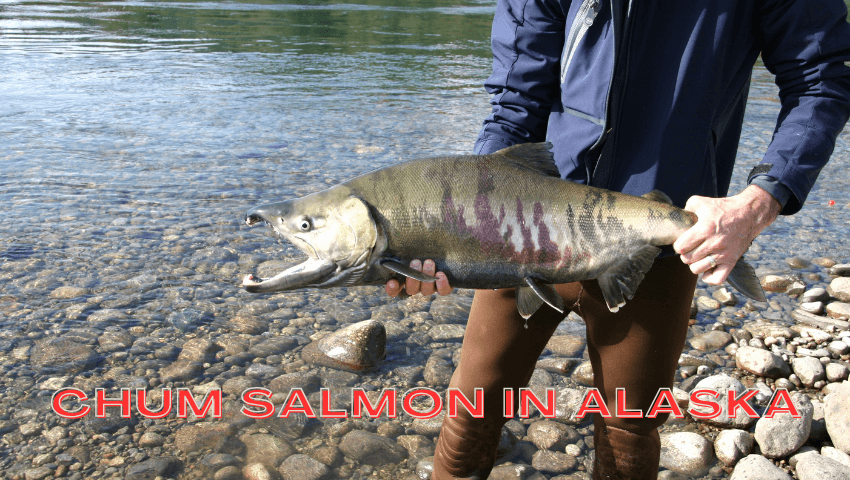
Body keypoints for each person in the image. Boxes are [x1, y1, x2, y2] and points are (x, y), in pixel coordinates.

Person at [387, 0, 850, 478]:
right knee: (471, 410)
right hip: (525, 230)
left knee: (629, 435)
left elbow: (821, 79)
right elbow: (514, 105)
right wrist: (456, 227)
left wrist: (758, 203)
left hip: (657, 241)